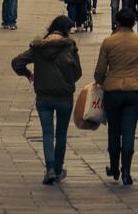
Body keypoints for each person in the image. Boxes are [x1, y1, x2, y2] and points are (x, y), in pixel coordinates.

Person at [12, 15, 83, 185]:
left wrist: (29, 75)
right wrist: (68, 80)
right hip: (64, 97)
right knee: (61, 135)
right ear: (66, 30)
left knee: (47, 133)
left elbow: (17, 63)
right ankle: (58, 169)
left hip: (44, 97)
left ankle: (50, 168)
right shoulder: (69, 47)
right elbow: (78, 72)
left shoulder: (38, 47)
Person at [93, 8, 138, 186]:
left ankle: (114, 168)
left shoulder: (109, 42)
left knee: (114, 130)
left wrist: (100, 82)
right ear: (134, 23)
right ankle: (126, 171)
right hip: (135, 93)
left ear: (118, 23)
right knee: (129, 130)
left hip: (113, 91)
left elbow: (100, 70)